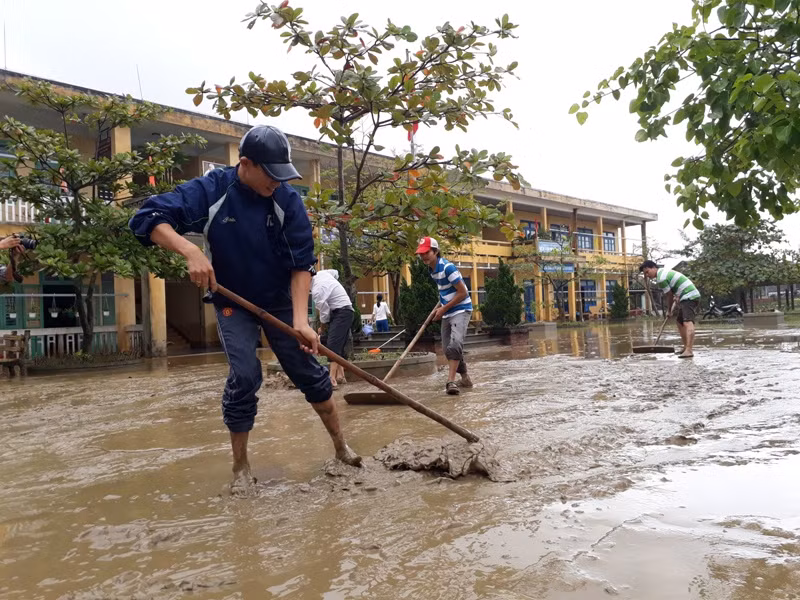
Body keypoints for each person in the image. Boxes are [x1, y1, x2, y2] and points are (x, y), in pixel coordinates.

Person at [129, 124, 362, 492]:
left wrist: (302, 321)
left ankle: (341, 447)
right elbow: (147, 219)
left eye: (281, 175)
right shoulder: (213, 189)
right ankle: (241, 467)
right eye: (270, 174)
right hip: (232, 301)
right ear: (246, 164)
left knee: (309, 372)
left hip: (280, 301)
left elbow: (303, 263)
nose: (277, 182)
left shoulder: (287, 201)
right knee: (245, 376)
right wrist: (190, 250)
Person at [415, 236, 473, 395]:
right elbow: (444, 291)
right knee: (449, 349)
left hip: (461, 310)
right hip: (447, 311)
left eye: (427, 253)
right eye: (421, 254)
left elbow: (463, 293)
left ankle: (451, 382)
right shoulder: (432, 270)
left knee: (455, 344)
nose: (424, 256)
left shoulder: (448, 268)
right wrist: (440, 307)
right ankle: (465, 377)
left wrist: (443, 309)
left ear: (435, 251)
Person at [639, 260, 701, 358]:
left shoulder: (661, 278)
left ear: (653, 267)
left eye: (647, 272)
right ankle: (686, 348)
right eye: (645, 274)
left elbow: (669, 295)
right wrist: (677, 296)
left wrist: (668, 311)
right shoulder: (663, 273)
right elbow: (673, 292)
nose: (647, 275)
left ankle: (689, 350)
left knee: (687, 322)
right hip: (684, 296)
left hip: (689, 295)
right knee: (680, 322)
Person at [310, 269, 353, 388]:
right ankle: (341, 376)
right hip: (344, 311)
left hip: (342, 312)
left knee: (333, 345)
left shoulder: (317, 290)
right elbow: (336, 273)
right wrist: (333, 287)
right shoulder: (322, 273)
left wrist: (321, 329)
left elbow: (324, 314)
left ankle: (331, 379)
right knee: (337, 344)